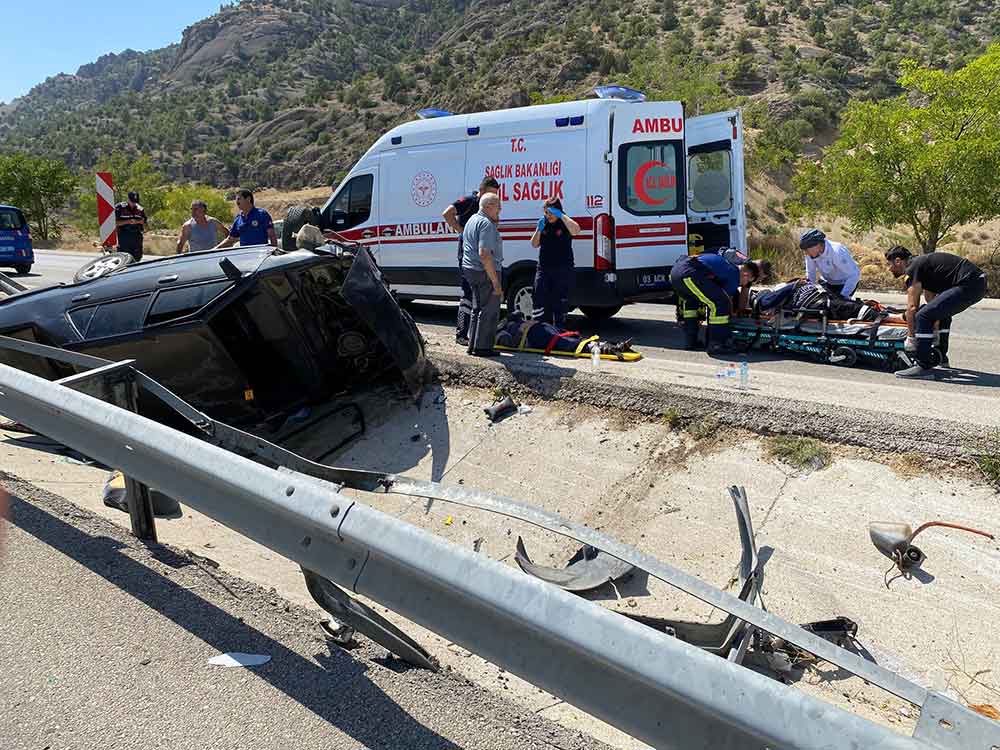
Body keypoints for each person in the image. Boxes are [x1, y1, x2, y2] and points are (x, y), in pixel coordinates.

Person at [885, 245, 988, 378]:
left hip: (969, 283)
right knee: (939, 314)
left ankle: (923, 366)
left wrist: (911, 338)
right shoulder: (923, 265)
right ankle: (940, 358)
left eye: (889, 264)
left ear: (898, 261)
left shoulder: (912, 268)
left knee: (923, 315)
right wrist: (933, 327)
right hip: (978, 282)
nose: (889, 268)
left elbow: (912, 308)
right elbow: (931, 300)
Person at [443, 177, 501, 345]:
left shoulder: (490, 207)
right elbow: (447, 213)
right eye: (491, 193)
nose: (494, 197)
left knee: (481, 296)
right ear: (482, 191)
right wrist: (462, 231)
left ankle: (477, 338)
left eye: (496, 195)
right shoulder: (469, 201)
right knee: (468, 294)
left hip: (483, 254)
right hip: (469, 255)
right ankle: (461, 334)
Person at [670, 251, 749, 352]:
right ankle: (716, 344)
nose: (743, 286)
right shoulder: (734, 273)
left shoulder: (724, 262)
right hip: (689, 272)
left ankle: (691, 342)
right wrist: (731, 314)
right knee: (719, 303)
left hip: (676, 272)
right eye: (747, 283)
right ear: (745, 275)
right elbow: (727, 298)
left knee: (692, 305)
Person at [461, 193, 503, 356]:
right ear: (488, 206)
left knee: (477, 308)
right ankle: (483, 348)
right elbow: (484, 253)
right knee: (489, 309)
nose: (500, 209)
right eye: (497, 206)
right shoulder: (486, 224)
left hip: (470, 269)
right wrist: (495, 282)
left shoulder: (472, 220)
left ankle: (473, 345)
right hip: (483, 270)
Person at [752, 277, 902, 323]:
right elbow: (764, 304)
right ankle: (897, 318)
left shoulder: (774, 291)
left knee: (856, 305)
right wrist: (793, 285)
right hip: (816, 302)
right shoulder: (765, 298)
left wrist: (794, 285)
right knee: (851, 308)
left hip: (818, 295)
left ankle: (894, 315)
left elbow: (767, 302)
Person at [530, 197, 581, 327]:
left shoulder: (565, 222)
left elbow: (576, 230)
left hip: (562, 268)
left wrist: (562, 216)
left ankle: (558, 332)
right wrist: (539, 229)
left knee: (559, 303)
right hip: (543, 268)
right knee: (539, 298)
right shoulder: (544, 223)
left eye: (551, 212)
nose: (548, 215)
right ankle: (540, 329)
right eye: (546, 212)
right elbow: (534, 244)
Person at [495, 312, 634, 359]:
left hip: (539, 327)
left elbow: (517, 314)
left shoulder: (505, 321)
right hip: (532, 336)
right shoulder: (496, 334)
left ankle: (608, 344)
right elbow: (508, 341)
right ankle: (603, 348)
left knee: (570, 336)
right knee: (563, 342)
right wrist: (519, 330)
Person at [798, 228, 861, 297]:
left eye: (807, 250)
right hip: (828, 281)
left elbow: (854, 275)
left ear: (818, 245)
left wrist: (843, 296)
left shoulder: (836, 251)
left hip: (846, 282)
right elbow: (811, 274)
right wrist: (808, 291)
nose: (806, 253)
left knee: (840, 305)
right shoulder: (810, 254)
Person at [114, 190, 148, 262]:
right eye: (132, 201)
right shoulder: (120, 207)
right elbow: (115, 223)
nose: (134, 204)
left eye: (135, 202)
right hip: (124, 235)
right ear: (128, 199)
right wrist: (128, 221)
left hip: (136, 236)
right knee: (124, 257)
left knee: (137, 256)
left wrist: (138, 221)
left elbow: (144, 222)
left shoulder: (140, 209)